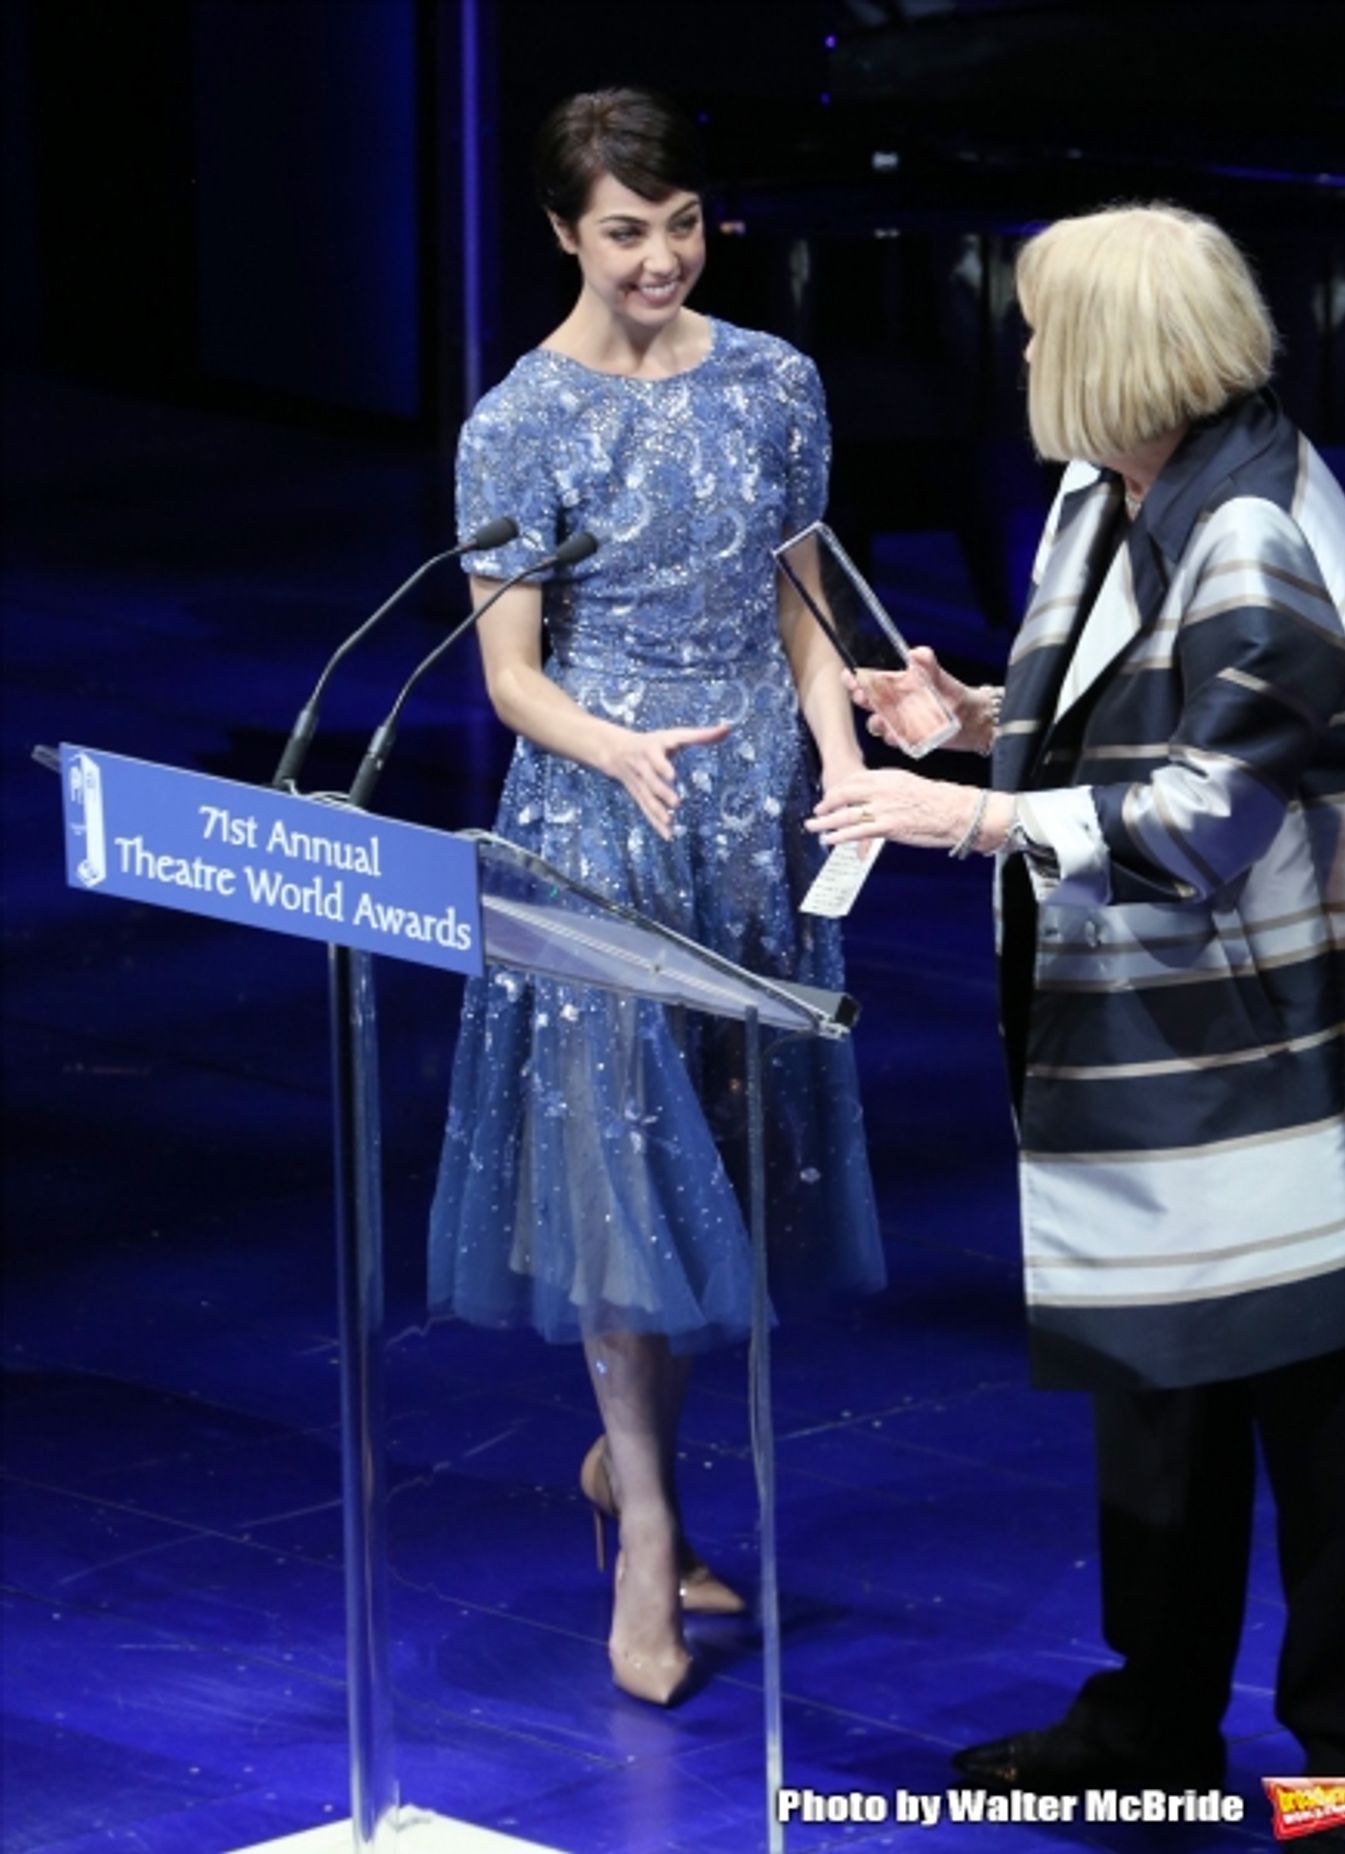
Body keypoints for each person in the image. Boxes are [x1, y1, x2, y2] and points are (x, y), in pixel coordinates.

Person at [812, 204, 1345, 1849]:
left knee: (1328, 1452)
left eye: (1039, 330)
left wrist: (970, 818)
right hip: (1149, 1049)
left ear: (1115, 355)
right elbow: (1116, 716)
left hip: (1284, 1065)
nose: (1018, 354)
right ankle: (1150, 1725)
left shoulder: (1259, 537)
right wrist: (973, 720)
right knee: (1158, 1407)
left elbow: (1208, 813)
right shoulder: (1107, 488)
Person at [428, 87, 883, 1708]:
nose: (660, 257)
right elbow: (510, 676)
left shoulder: (774, 381)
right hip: (603, 818)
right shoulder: (517, 422)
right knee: (625, 1183)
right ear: (564, 231)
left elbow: (802, 598)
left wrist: (840, 753)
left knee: (711, 1180)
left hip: (746, 816)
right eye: (625, 231)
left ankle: (626, 1474)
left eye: (682, 224)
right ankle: (647, 1532)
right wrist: (616, 745)